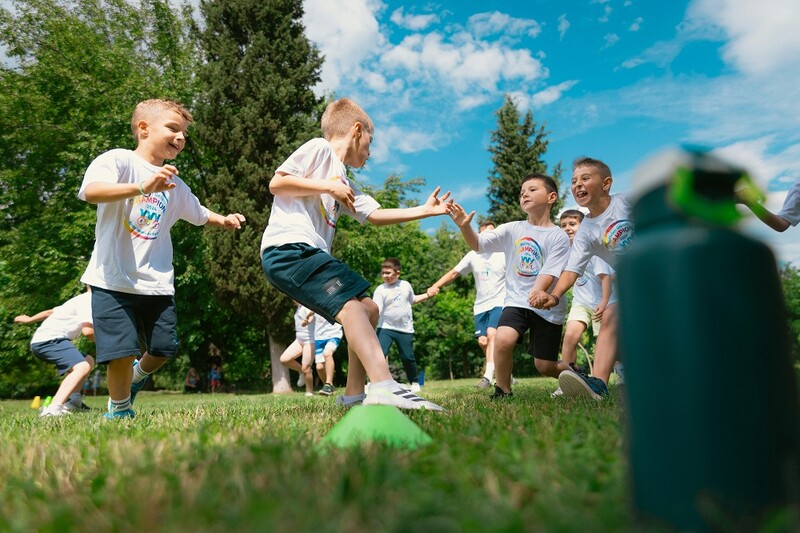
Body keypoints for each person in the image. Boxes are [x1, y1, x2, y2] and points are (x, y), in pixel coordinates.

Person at [260, 97, 451, 411]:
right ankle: (384, 384)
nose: (370, 152)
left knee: (369, 308)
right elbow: (277, 183)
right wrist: (328, 187)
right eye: (370, 143)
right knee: (352, 309)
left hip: (302, 255)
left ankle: (353, 395)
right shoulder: (319, 149)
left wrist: (426, 211)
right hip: (290, 249)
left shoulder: (342, 179)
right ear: (356, 130)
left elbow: (374, 214)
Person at [78, 99, 246, 419]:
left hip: (156, 282)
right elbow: (92, 190)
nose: (181, 138)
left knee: (163, 349)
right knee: (121, 352)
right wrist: (141, 185)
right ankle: (120, 409)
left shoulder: (176, 185)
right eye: (173, 129)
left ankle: (137, 378)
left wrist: (223, 220)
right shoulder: (120, 160)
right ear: (143, 129)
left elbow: (198, 213)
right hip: (112, 277)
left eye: (184, 133)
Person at [449, 173, 572, 399]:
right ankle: (503, 390)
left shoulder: (558, 237)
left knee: (544, 366)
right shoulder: (511, 229)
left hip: (547, 306)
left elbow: (550, 271)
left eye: (532, 189)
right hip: (516, 300)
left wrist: (538, 292)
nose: (524, 193)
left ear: (551, 197)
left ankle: (577, 375)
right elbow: (478, 244)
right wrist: (465, 227)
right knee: (503, 340)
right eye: (522, 191)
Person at [531, 157, 632, 400]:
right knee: (610, 316)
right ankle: (598, 384)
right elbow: (571, 270)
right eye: (574, 181)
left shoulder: (626, 202)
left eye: (585, 178)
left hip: (663, 272)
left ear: (606, 183)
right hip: (633, 284)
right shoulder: (587, 231)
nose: (577, 185)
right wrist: (554, 296)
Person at [427, 220, 506, 388]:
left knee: (493, 335)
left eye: (492, 233)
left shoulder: (503, 253)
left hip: (500, 301)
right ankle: (504, 371)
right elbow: (454, 273)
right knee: (483, 342)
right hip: (480, 305)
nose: (488, 237)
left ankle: (488, 378)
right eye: (484, 234)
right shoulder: (473, 254)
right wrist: (436, 285)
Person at [551, 209, 613, 397]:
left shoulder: (593, 248)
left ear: (583, 225)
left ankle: (616, 375)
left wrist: (604, 302)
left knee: (607, 344)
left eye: (572, 224)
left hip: (601, 302)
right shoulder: (564, 252)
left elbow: (606, 278)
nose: (567, 228)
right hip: (580, 302)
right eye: (563, 225)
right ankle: (569, 381)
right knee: (570, 337)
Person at [13, 289, 94, 416]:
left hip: (44, 340)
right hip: (50, 340)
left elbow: (50, 312)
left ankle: (72, 402)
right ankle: (53, 409)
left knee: (88, 360)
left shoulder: (79, 299)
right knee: (82, 366)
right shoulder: (89, 300)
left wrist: (29, 320)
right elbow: (88, 331)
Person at [373, 258, 436, 392]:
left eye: (388, 273)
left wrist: (427, 295)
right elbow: (376, 308)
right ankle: (376, 382)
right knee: (379, 354)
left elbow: (412, 300)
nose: (385, 276)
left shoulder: (405, 285)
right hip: (386, 327)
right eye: (383, 273)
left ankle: (414, 382)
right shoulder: (380, 289)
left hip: (405, 328)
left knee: (407, 357)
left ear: (398, 273)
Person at [279, 303, 315, 396]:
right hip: (299, 340)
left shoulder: (306, 306)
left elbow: (312, 312)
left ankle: (309, 392)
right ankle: (302, 372)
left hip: (309, 341)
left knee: (306, 367)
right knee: (284, 359)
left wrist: (308, 319)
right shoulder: (298, 308)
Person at [313, 313, 343, 396]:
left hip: (334, 334)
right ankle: (329, 388)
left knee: (327, 354)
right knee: (319, 367)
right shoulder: (314, 303)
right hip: (319, 337)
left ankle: (328, 384)